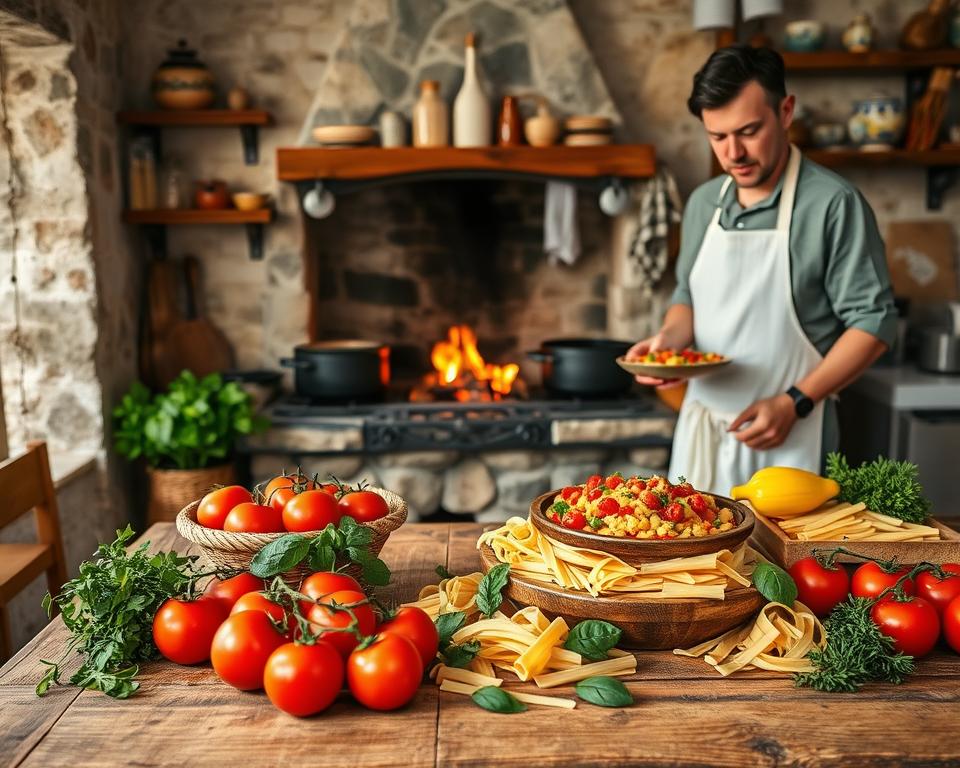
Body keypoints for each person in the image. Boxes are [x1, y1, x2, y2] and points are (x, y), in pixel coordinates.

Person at [628, 45, 897, 496]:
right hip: (702, 436)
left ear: (786, 111)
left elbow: (874, 323)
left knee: (784, 567)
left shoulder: (832, 204)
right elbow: (687, 298)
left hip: (791, 438)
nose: (734, 153)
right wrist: (669, 344)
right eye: (717, 136)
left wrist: (796, 402)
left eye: (749, 131)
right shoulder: (703, 204)